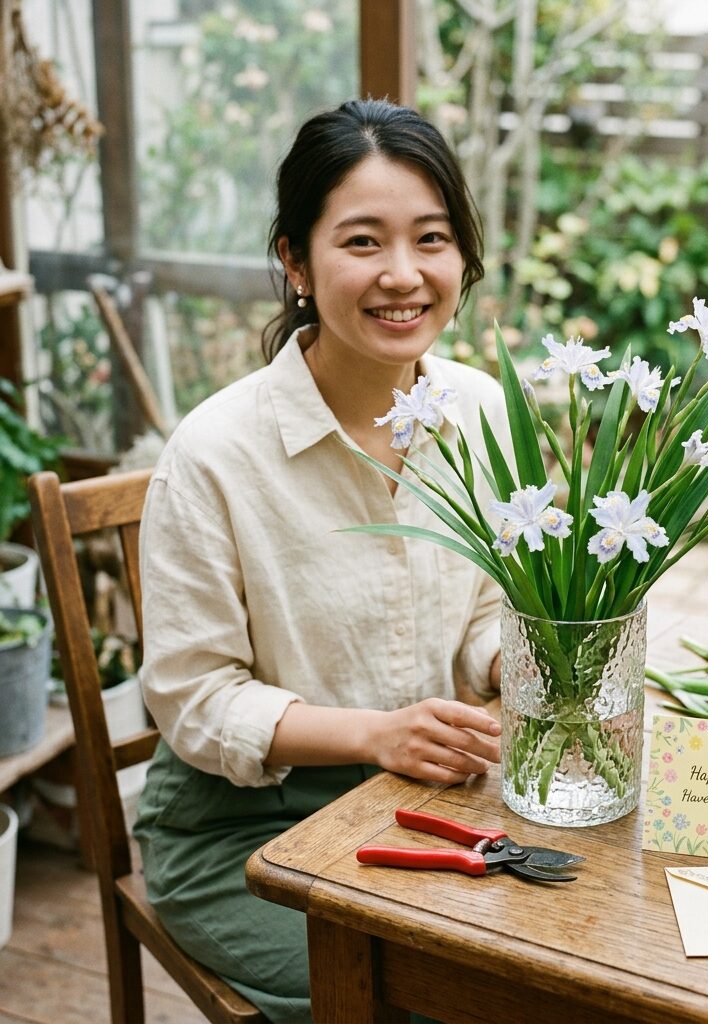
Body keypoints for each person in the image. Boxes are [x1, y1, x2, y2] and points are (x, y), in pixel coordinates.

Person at [133, 98, 511, 1024]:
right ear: (295, 262)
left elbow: (485, 615)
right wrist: (375, 735)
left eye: (431, 238)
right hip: (244, 833)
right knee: (430, 996)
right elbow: (193, 697)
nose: (403, 275)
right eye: (361, 242)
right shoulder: (216, 452)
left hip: (428, 799)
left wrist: (530, 660)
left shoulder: (483, 411)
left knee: (552, 968)